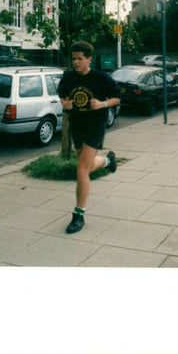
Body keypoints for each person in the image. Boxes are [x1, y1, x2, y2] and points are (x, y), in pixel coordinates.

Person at [58, 41, 121, 234]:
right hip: (77, 125)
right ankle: (108, 160)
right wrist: (65, 104)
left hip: (95, 126)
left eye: (79, 59)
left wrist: (102, 104)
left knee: (81, 171)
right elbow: (62, 96)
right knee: (85, 167)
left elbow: (117, 98)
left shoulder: (101, 78)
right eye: (73, 58)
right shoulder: (68, 77)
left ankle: (78, 215)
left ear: (89, 59)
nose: (76, 62)